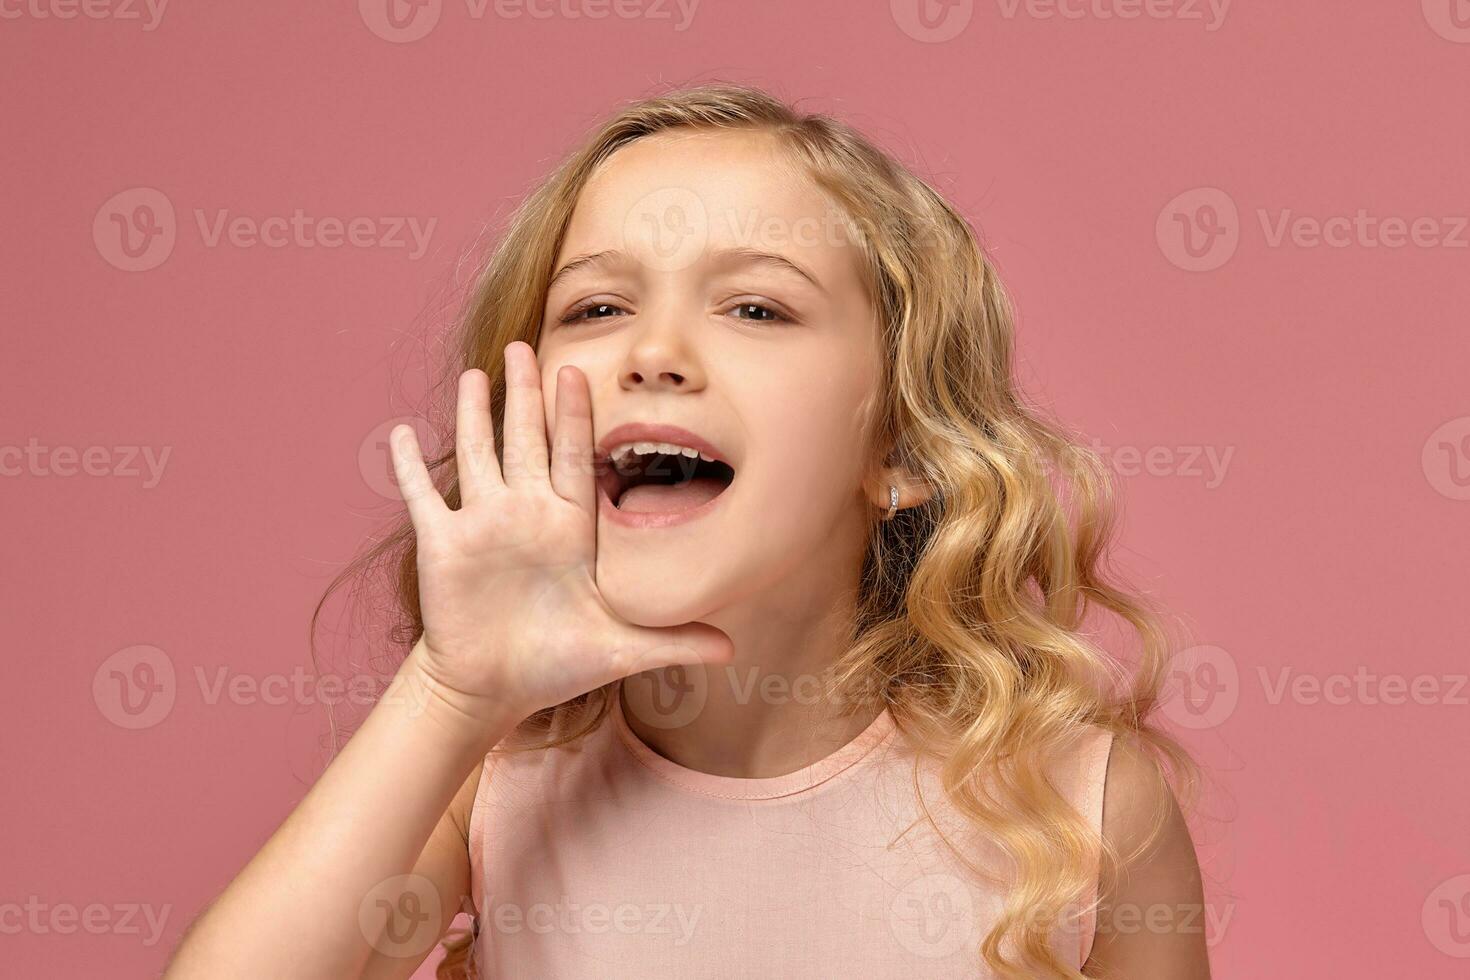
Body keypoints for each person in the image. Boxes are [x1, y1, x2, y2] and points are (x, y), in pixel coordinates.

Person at [165, 81, 1211, 979]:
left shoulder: (1080, 805)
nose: (653, 350)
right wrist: (451, 692)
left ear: (901, 447)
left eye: (755, 308)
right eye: (596, 308)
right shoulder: (493, 783)